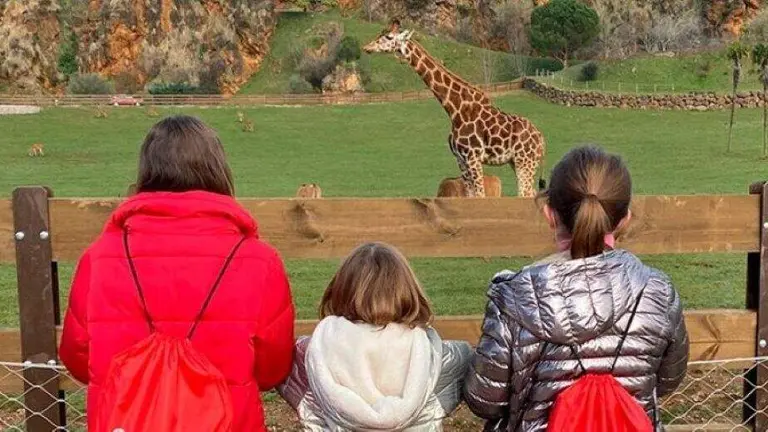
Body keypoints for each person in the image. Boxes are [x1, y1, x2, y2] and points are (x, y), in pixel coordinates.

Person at [59, 115, 295, 432]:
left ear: (147, 171)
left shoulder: (99, 257)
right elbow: (272, 368)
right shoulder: (259, 260)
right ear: (218, 170)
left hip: (127, 421)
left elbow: (77, 357)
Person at [464, 145, 689, 431]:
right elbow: (669, 378)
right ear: (624, 219)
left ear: (549, 214)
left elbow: (484, 399)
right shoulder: (658, 292)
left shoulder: (513, 296)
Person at [278, 242, 471, 431]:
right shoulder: (445, 359)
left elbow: (273, 368)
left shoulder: (307, 355)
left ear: (340, 290)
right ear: (407, 290)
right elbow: (483, 385)